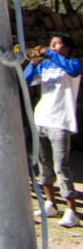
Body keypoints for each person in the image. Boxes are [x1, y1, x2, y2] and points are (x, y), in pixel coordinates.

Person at [24, 35, 81, 228]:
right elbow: (26, 80)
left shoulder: (72, 64)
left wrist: (49, 53)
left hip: (60, 122)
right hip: (41, 119)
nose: (53, 47)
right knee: (44, 165)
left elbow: (73, 70)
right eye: (51, 44)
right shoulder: (45, 67)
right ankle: (50, 203)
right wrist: (33, 63)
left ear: (67, 48)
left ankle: (71, 210)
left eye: (57, 44)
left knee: (61, 167)